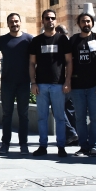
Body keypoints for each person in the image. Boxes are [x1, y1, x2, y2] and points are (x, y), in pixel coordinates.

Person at [29, 9, 72, 158]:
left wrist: (67, 81)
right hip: (41, 85)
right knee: (42, 117)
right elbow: (32, 63)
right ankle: (43, 146)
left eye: (52, 18)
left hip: (58, 85)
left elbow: (69, 61)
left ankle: (61, 146)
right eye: (47, 18)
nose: (50, 20)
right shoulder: (36, 41)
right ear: (43, 21)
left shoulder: (62, 40)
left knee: (60, 117)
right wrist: (33, 83)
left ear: (56, 20)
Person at [69, 13, 96, 157]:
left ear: (92, 23)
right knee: (80, 118)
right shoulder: (73, 40)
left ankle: (94, 146)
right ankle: (83, 147)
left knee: (95, 118)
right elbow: (68, 62)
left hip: (95, 86)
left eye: (88, 21)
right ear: (78, 24)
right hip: (77, 86)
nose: (86, 24)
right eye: (83, 21)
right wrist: (68, 81)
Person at [0, 12, 34, 155]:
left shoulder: (29, 39)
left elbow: (35, 59)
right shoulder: (2, 40)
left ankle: (23, 144)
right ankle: (5, 143)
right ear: (8, 24)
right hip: (7, 83)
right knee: (7, 114)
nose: (14, 24)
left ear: (20, 22)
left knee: (23, 115)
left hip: (24, 82)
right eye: (11, 22)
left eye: (16, 21)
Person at [56, 24, 79, 147]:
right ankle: (75, 137)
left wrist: (66, 81)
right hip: (72, 81)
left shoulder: (61, 44)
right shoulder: (72, 42)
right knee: (70, 110)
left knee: (57, 108)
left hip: (63, 81)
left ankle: (71, 133)